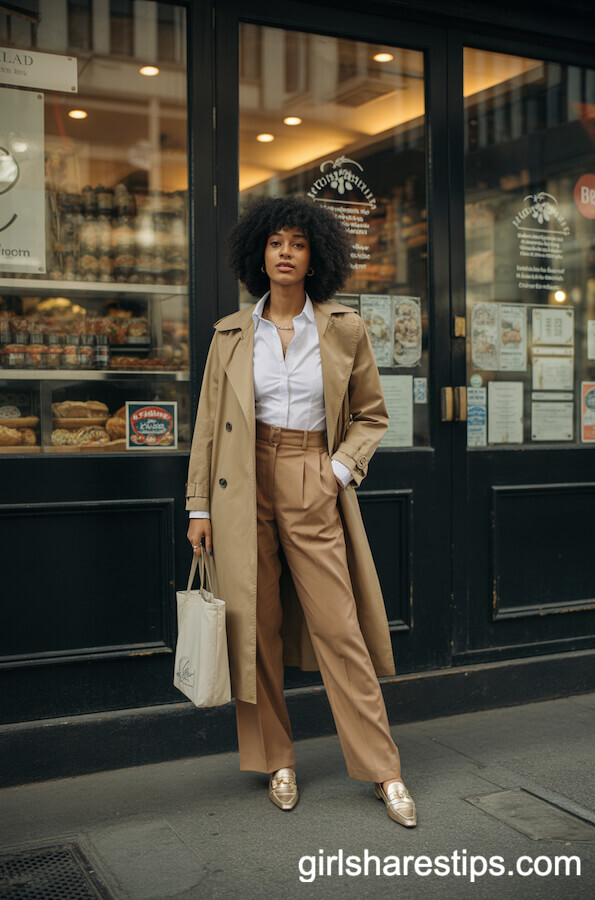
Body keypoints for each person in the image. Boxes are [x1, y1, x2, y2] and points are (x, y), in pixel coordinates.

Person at [185, 196, 416, 827]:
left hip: (313, 473)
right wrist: (198, 504)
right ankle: (276, 758)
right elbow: (208, 425)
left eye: (298, 243)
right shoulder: (231, 332)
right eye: (275, 243)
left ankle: (383, 769)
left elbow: (372, 416)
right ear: (259, 254)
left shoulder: (342, 328)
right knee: (254, 626)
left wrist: (336, 472)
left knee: (339, 627)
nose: (285, 252)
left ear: (316, 257)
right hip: (241, 480)